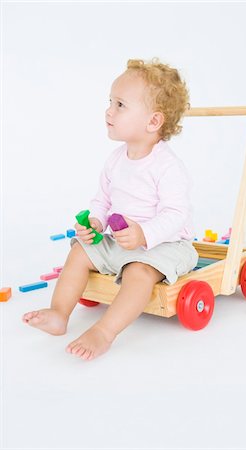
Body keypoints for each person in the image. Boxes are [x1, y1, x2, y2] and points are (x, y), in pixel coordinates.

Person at [22, 58, 198, 361]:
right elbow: (102, 200)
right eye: (110, 102)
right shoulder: (116, 160)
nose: (109, 111)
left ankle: (105, 331)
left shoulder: (168, 166)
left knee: (138, 272)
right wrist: (94, 222)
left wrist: (144, 233)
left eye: (120, 105)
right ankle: (59, 313)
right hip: (121, 243)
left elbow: (175, 214)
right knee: (79, 251)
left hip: (165, 245)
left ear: (153, 121)